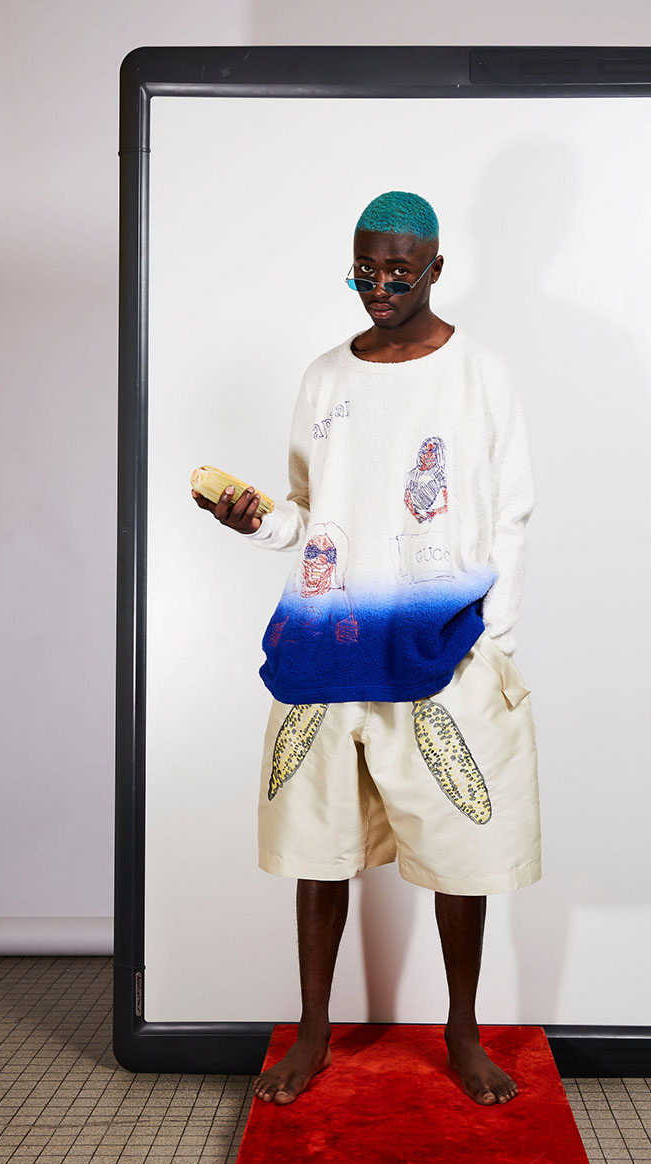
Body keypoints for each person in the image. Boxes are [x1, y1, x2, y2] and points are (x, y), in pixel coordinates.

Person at [191, 191, 541, 1107]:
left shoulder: (479, 373)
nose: (379, 287)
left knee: (461, 851)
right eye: (364, 271)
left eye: (397, 271)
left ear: (434, 268)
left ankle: (462, 1033)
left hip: (442, 642)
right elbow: (313, 516)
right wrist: (259, 522)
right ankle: (314, 1032)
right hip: (328, 639)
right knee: (319, 847)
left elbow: (511, 510)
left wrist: (492, 637)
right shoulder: (324, 378)